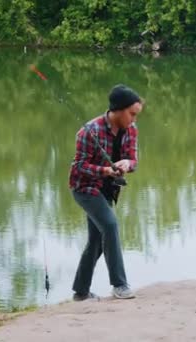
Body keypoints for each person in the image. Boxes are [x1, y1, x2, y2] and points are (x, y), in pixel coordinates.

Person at [68, 84, 143, 300]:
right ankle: (120, 285)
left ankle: (80, 292)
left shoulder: (132, 130)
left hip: (107, 190)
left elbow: (133, 160)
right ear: (118, 110)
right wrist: (106, 170)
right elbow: (79, 166)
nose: (134, 119)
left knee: (96, 241)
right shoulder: (88, 131)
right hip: (85, 188)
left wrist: (127, 164)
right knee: (109, 225)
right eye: (132, 114)